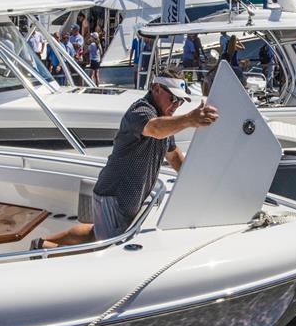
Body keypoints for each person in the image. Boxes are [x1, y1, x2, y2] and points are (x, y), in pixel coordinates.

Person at [34, 71, 219, 247]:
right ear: (156, 89)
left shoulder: (165, 119)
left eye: (180, 101)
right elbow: (154, 129)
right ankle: (43, 253)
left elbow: (173, 155)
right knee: (105, 249)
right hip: (115, 196)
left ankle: (41, 244)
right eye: (173, 99)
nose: (176, 105)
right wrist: (188, 120)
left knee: (95, 234)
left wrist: (196, 184)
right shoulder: (141, 111)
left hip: (121, 197)